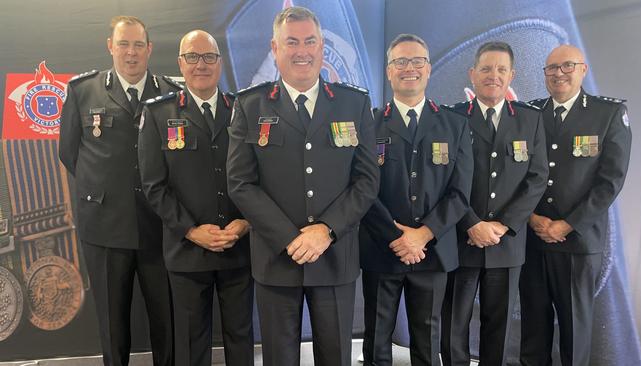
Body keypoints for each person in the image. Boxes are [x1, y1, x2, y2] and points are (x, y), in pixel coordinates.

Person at [226, 6, 379, 366]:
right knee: (279, 358)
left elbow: (367, 180)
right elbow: (240, 182)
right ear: (274, 48)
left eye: (310, 41)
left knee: (336, 356)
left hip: (334, 256)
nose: (302, 50)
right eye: (291, 42)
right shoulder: (250, 105)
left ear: (322, 47)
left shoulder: (353, 103)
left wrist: (326, 230)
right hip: (277, 259)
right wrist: (290, 237)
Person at [59, 15, 180, 366]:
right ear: (110, 46)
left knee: (167, 321)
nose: (131, 53)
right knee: (112, 324)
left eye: (138, 45)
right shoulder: (83, 91)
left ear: (149, 49)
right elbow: (70, 153)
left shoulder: (170, 93)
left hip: (159, 226)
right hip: (106, 227)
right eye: (123, 44)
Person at [138, 30, 254, 366]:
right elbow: (154, 186)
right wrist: (191, 230)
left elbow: (259, 177)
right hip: (187, 251)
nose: (200, 64)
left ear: (220, 63)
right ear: (180, 63)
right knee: (190, 343)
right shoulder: (159, 114)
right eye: (192, 57)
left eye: (209, 57)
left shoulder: (242, 110)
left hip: (238, 246)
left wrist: (246, 222)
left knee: (241, 337)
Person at [360, 33, 473, 366]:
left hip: (433, 252)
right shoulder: (369, 123)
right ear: (389, 71)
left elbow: (460, 192)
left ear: (429, 68)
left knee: (428, 341)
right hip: (382, 249)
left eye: (417, 61)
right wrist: (396, 237)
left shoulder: (454, 125)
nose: (409, 68)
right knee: (377, 340)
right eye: (400, 62)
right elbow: (362, 187)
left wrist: (422, 235)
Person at [520, 45, 632, 366]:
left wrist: (566, 224)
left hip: (578, 242)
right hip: (533, 240)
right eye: (552, 68)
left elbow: (610, 180)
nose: (559, 73)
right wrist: (531, 219)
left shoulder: (607, 113)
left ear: (583, 69)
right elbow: (516, 175)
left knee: (574, 330)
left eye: (567, 66)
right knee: (533, 329)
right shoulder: (531, 113)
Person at [440, 41, 548, 366]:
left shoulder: (530, 120)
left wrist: (502, 225)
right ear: (473, 74)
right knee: (453, 325)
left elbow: (537, 178)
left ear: (511, 75)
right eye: (486, 68)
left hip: (506, 244)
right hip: (462, 239)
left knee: (498, 328)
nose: (494, 75)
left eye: (501, 69)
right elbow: (443, 177)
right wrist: (471, 222)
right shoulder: (451, 118)